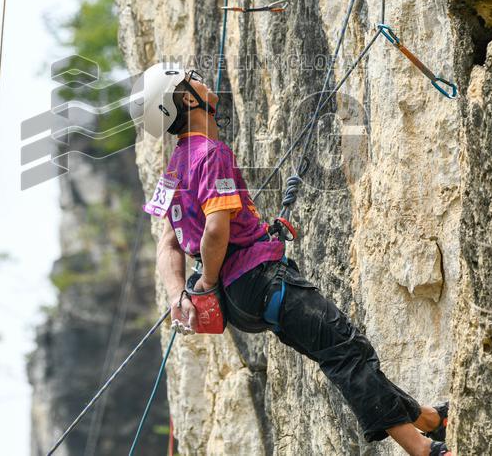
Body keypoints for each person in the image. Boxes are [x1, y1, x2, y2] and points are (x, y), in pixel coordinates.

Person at [131, 63, 451, 456]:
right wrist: (209, 279)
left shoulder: (172, 170)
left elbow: (169, 244)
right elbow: (216, 229)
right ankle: (423, 449)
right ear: (185, 99)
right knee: (345, 350)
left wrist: (180, 294)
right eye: (190, 78)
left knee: (333, 349)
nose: (200, 78)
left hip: (240, 302)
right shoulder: (210, 153)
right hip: (258, 279)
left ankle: (431, 421)